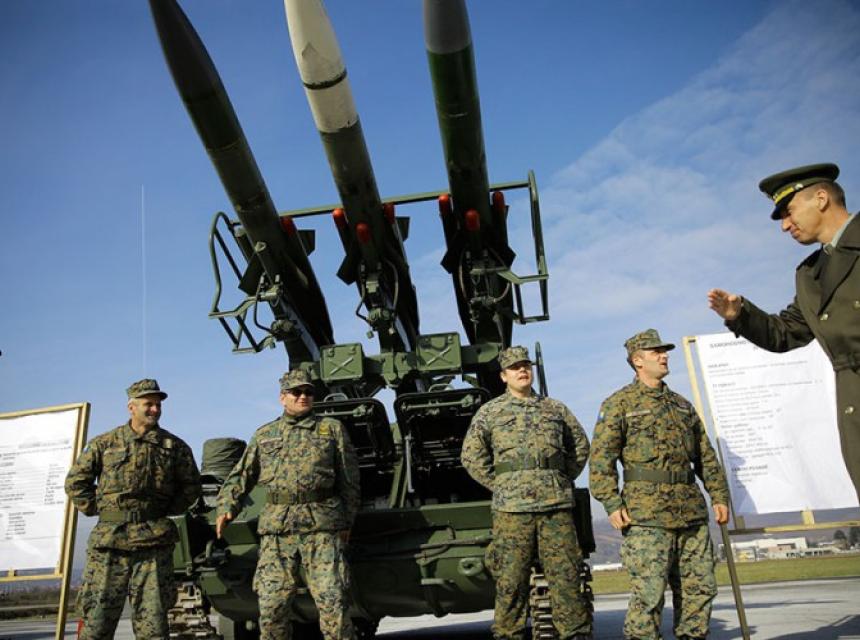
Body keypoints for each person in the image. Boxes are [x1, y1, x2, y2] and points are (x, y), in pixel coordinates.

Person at [708, 162, 860, 502]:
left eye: (789, 212)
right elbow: (786, 333)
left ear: (821, 198)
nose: (785, 226)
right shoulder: (811, 274)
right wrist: (740, 315)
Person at [590, 330, 729, 640]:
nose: (664, 356)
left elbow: (704, 455)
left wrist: (719, 495)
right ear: (638, 360)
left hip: (690, 513)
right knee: (649, 594)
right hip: (646, 516)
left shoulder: (681, 405)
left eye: (664, 351)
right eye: (656, 352)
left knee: (699, 589)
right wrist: (611, 503)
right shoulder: (619, 404)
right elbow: (601, 460)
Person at [215, 369, 360, 640]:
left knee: (333, 603)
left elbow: (349, 480)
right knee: (272, 606)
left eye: (308, 392)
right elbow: (241, 475)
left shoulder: (331, 430)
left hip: (321, 528)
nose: (303, 396)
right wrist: (226, 507)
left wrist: (347, 521)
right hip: (277, 532)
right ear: (283, 397)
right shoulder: (265, 435)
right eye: (296, 392)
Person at [461, 346, 592, 640]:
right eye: (515, 367)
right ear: (503, 376)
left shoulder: (555, 409)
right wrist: (501, 484)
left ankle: (574, 634)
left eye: (526, 366)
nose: (522, 370)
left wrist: (560, 478)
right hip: (512, 511)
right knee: (511, 581)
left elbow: (580, 446)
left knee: (567, 577)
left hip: (555, 507)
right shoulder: (490, 412)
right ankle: (509, 634)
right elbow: (471, 456)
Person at [65, 378, 202, 639]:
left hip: (154, 543)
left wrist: (159, 511)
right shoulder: (105, 443)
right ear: (131, 407)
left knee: (154, 625)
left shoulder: (175, 447)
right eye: (148, 404)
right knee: (96, 622)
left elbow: (191, 487)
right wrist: (101, 509)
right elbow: (76, 482)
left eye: (158, 405)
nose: (155, 409)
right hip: (110, 542)